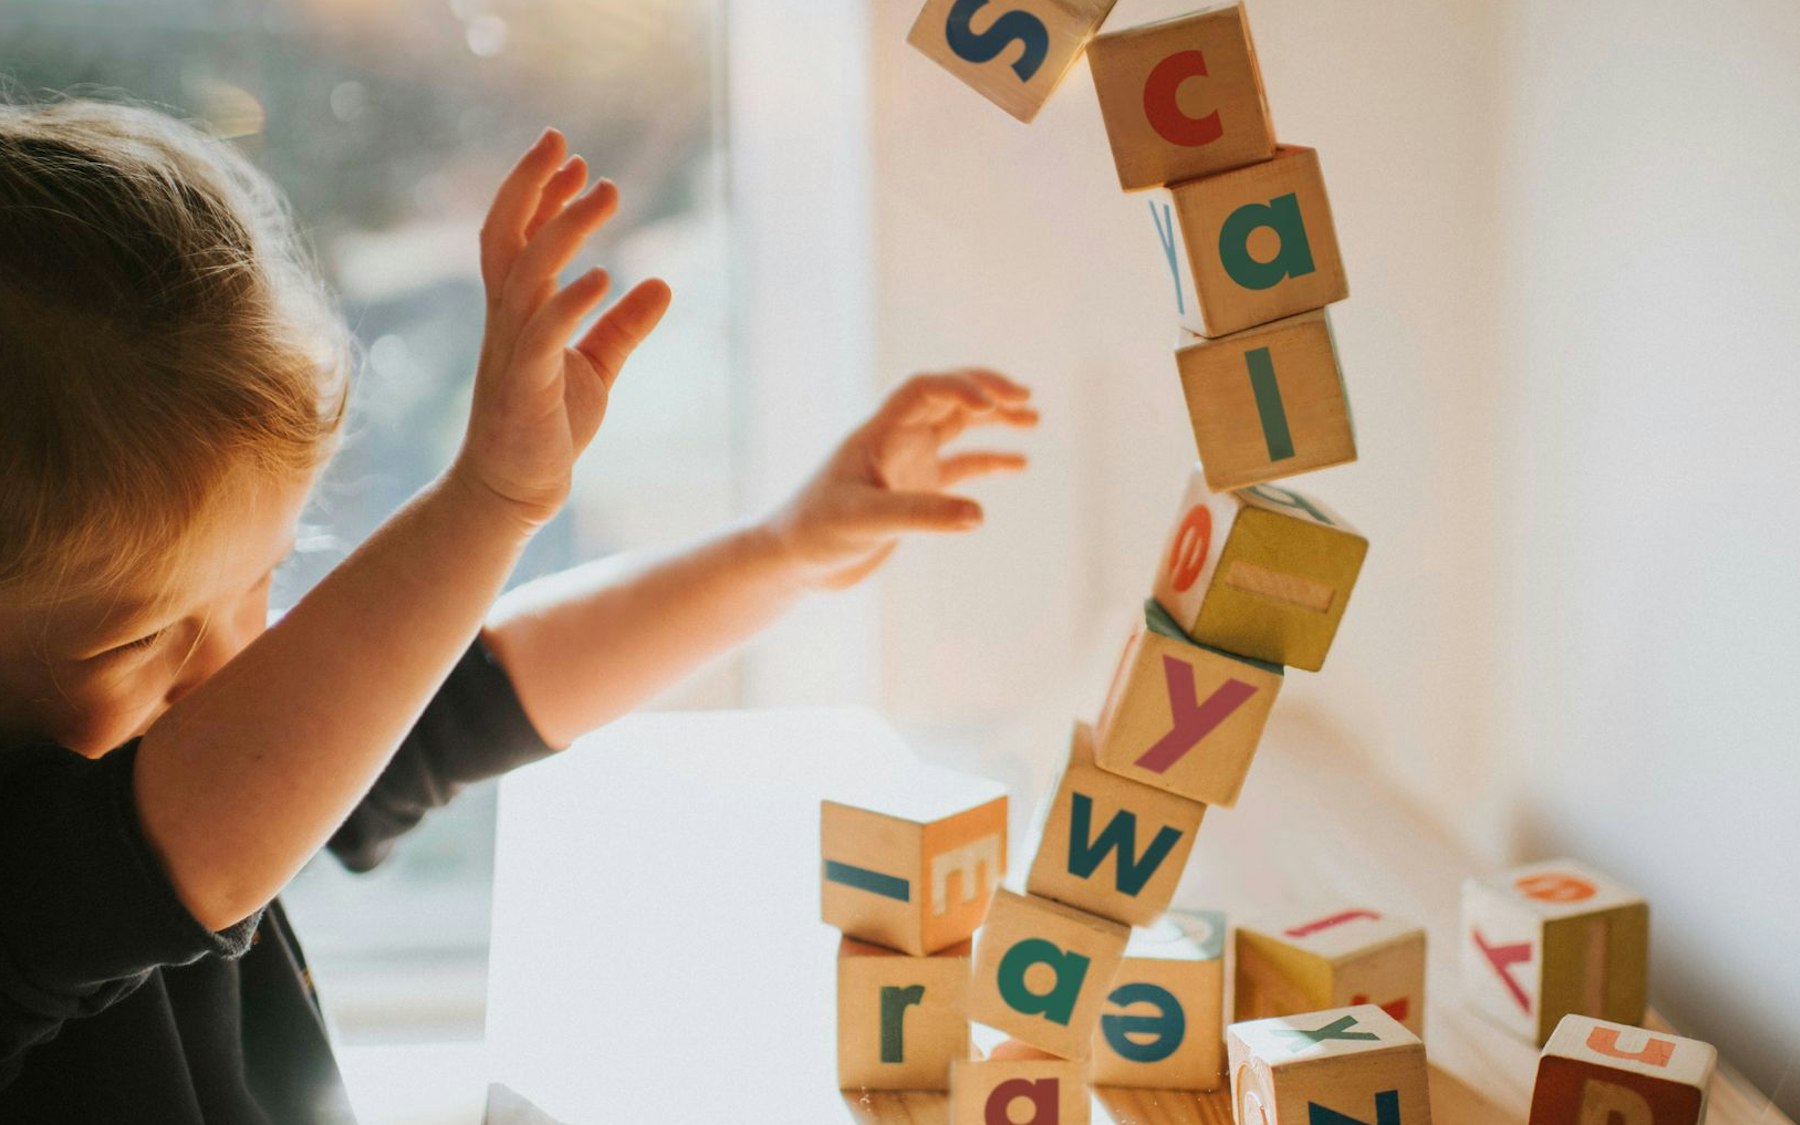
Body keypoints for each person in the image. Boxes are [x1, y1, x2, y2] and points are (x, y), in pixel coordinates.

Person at [0, 98, 1035, 1122]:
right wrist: (487, 502)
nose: (237, 668)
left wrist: (781, 553)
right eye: (135, 641)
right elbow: (189, 844)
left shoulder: (194, 741)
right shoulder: (46, 880)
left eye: (268, 579)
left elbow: (478, 690)